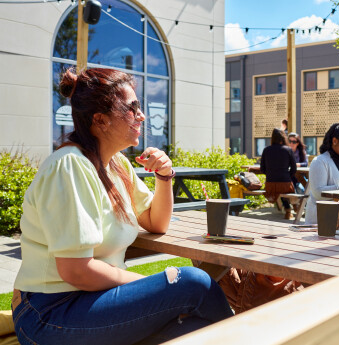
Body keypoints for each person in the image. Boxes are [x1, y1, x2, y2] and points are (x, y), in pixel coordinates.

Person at [11, 68, 233, 345]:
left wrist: (163, 177)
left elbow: (155, 222)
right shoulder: (70, 166)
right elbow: (75, 271)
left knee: (197, 332)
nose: (141, 115)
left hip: (93, 302)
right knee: (192, 282)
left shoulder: (116, 165)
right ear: (101, 120)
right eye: (132, 108)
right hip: (50, 313)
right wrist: (149, 285)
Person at [260, 128, 297, 219]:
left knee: (278, 188)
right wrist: (287, 176)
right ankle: (294, 208)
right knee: (288, 187)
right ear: (283, 137)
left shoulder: (266, 150)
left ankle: (288, 210)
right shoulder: (288, 150)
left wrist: (271, 175)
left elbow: (262, 169)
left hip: (270, 185)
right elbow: (294, 169)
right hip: (285, 184)